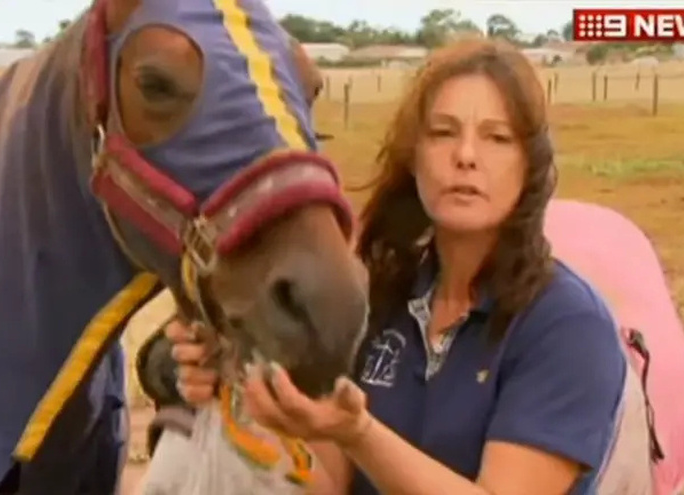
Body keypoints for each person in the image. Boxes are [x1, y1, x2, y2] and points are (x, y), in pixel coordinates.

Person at [165, 37, 655, 494]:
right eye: (443, 133)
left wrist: (359, 432)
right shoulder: (384, 296)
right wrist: (245, 377)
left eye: (497, 138)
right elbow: (326, 479)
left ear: (530, 167)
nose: (465, 156)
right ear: (414, 158)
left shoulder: (566, 324)